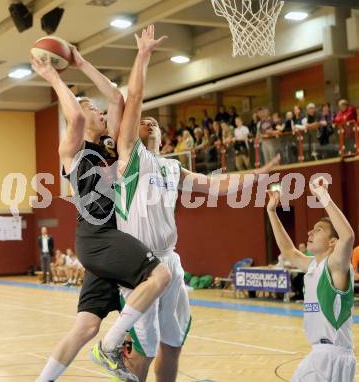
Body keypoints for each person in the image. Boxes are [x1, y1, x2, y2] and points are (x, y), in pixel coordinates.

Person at [98, 104, 280, 381]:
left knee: (173, 344)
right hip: (139, 264)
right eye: (142, 122)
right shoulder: (130, 161)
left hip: (169, 261)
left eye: (154, 123)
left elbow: (213, 186)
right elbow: (130, 100)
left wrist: (256, 176)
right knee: (142, 351)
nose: (150, 123)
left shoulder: (173, 167)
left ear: (163, 139)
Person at [34, 26, 171, 382]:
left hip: (109, 242)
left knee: (85, 327)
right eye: (90, 108)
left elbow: (118, 97)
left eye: (96, 107)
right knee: (160, 275)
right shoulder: (74, 151)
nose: (96, 109)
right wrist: (52, 75)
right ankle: (112, 347)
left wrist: (81, 62)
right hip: (98, 238)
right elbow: (76, 117)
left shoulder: (111, 146)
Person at [267, 177, 356, 381]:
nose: (310, 232)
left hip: (330, 356)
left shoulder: (335, 266)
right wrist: (272, 212)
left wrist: (323, 195)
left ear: (333, 241)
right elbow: (289, 252)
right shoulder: (314, 265)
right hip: (324, 355)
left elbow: (348, 236)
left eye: (318, 230)